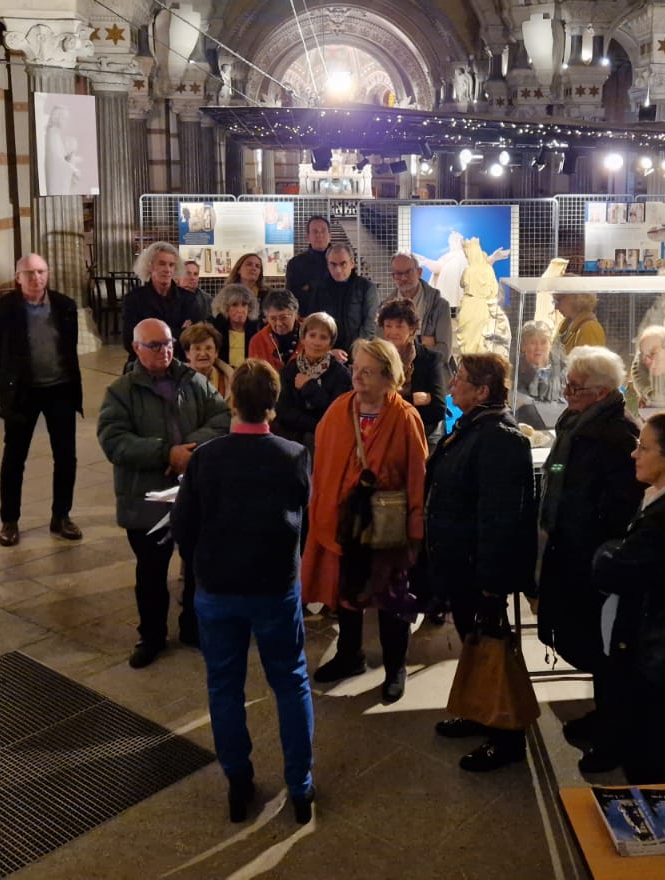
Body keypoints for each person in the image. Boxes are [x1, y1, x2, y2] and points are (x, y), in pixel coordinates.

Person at [173, 359, 316, 825]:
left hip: (218, 587)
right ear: (273, 407)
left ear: (231, 400)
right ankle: (301, 787)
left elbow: (184, 526)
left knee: (224, 685)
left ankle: (238, 782)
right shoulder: (293, 455)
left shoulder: (207, 458)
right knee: (291, 682)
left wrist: (201, 565)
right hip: (275, 586)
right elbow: (302, 519)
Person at [98, 318, 231, 666]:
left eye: (169, 342)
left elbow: (221, 418)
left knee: (197, 566)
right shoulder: (122, 391)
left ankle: (193, 628)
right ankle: (152, 636)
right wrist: (165, 453)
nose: (165, 350)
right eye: (155, 345)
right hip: (147, 495)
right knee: (152, 571)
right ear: (136, 348)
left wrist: (191, 450)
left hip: (192, 492)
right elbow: (113, 440)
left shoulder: (194, 381)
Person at [302, 338, 428, 704]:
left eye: (367, 372)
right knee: (349, 593)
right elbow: (323, 467)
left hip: (389, 524)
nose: (357, 377)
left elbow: (417, 476)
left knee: (392, 599)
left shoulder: (405, 417)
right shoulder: (339, 410)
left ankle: (395, 668)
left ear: (389, 377)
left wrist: (415, 527)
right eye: (356, 369)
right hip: (347, 523)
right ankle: (349, 656)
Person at [429, 354, 538, 772]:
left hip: (480, 568)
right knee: (475, 644)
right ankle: (479, 712)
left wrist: (493, 582)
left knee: (494, 649)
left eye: (460, 379)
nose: (452, 384)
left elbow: (501, 515)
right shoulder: (472, 427)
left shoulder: (499, 439)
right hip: (462, 563)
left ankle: (506, 739)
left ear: (482, 392)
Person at [536, 345, 642, 770]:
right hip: (571, 547)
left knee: (606, 649)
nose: (566, 392)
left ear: (600, 393)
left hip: (594, 556)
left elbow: (619, 507)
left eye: (575, 387)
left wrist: (594, 545)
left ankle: (616, 735)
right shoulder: (576, 423)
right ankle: (604, 716)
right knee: (584, 639)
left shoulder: (617, 436)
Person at [593, 410, 665, 783]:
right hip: (664, 647)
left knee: (655, 751)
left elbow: (617, 567)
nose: (634, 454)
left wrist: (605, 554)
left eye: (644, 448)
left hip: (657, 650)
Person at [0, 253, 83, 546]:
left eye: (41, 271)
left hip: (60, 389)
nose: (36, 278)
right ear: (18, 277)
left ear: (47, 274)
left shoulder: (64, 306)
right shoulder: (1, 310)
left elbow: (69, 346)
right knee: (14, 457)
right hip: (22, 393)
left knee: (65, 456)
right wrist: (5, 376)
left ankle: (61, 515)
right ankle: (9, 520)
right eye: (29, 273)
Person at [274, 312, 351, 449]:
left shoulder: (341, 374)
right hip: (292, 439)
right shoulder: (289, 371)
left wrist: (309, 387)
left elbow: (337, 412)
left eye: (323, 337)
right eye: (312, 335)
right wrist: (313, 425)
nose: (317, 342)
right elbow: (283, 411)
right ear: (303, 338)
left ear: (330, 343)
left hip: (328, 439)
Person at [378, 298, 447, 444]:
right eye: (388, 326)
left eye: (399, 326)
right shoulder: (378, 358)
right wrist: (413, 400)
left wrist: (395, 404)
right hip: (384, 432)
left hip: (420, 434)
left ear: (411, 329)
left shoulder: (430, 359)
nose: (392, 332)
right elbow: (374, 401)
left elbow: (438, 408)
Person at [123, 241, 206, 358]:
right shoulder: (134, 299)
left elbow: (194, 339)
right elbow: (129, 341)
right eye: (161, 264)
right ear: (150, 266)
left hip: (179, 362)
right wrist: (179, 332)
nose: (167, 269)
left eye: (171, 265)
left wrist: (150, 337)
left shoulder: (188, 299)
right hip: (144, 363)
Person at [311, 243, 378, 352]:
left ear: (352, 263)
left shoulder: (366, 288)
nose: (338, 270)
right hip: (327, 352)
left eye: (343, 264)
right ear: (327, 265)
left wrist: (356, 350)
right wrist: (328, 351)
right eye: (333, 264)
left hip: (360, 351)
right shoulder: (319, 289)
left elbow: (369, 324)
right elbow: (314, 322)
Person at [389, 253, 452, 353]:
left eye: (408, 272)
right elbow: (382, 351)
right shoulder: (385, 307)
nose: (404, 278)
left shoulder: (440, 306)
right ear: (393, 276)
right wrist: (422, 344)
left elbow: (444, 352)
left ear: (419, 272)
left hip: (430, 368)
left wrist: (403, 346)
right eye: (398, 274)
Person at [210, 283, 263, 369]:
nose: (240, 310)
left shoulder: (257, 329)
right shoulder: (216, 329)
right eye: (234, 305)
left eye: (244, 305)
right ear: (225, 308)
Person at [285, 215, 332, 307]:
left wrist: (309, 287)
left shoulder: (341, 260)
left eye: (323, 231)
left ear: (330, 236)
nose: (319, 235)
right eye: (315, 232)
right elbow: (291, 297)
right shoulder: (295, 264)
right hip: (306, 318)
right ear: (308, 237)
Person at [249, 289, 301, 368]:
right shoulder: (257, 341)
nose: (279, 323)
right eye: (273, 319)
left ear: (295, 313)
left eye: (283, 318)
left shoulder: (311, 335)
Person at [180, 322, 233, 396]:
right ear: (187, 354)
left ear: (216, 352)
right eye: (197, 348)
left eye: (208, 348)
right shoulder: (176, 381)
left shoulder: (230, 381)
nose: (203, 354)